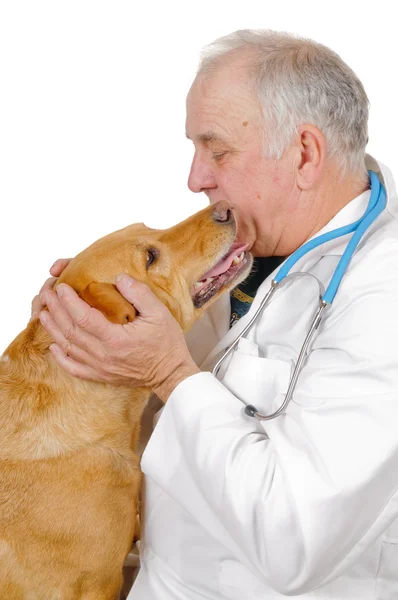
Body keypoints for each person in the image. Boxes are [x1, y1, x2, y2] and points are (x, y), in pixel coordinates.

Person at [31, 30, 398, 599]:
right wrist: (83, 344)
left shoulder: (383, 297)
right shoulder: (241, 254)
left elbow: (293, 542)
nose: (195, 178)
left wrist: (169, 375)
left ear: (304, 154)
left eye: (217, 149)